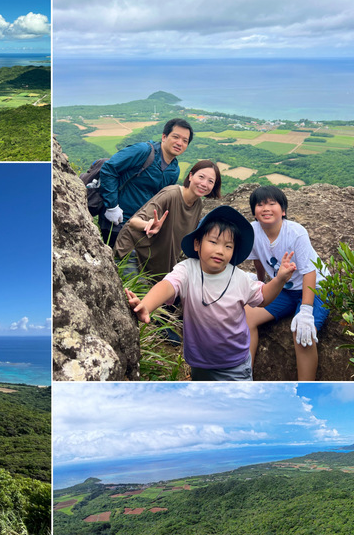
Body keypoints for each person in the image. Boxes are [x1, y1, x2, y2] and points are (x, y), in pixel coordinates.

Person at [126, 205, 295, 381]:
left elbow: (263, 297)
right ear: (197, 244)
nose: (220, 250)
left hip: (235, 364)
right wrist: (147, 305)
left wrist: (280, 279)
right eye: (213, 242)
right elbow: (168, 285)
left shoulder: (240, 278)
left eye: (228, 246)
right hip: (199, 363)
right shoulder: (187, 270)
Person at [244, 186, 329, 381]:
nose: (266, 208)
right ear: (254, 212)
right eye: (260, 204)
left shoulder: (296, 233)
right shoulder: (253, 231)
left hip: (316, 287)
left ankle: (305, 390)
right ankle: (245, 376)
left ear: (283, 211)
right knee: (246, 316)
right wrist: (260, 282)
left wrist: (306, 311)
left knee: (303, 333)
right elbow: (257, 257)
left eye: (272, 203)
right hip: (284, 288)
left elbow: (309, 271)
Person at [114, 159, 221, 281]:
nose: (204, 184)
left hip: (154, 262)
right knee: (142, 298)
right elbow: (134, 222)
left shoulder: (198, 205)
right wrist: (149, 224)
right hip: (133, 253)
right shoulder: (171, 194)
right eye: (201, 177)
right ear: (190, 176)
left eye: (210, 181)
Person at [99, 118, 194, 246]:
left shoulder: (174, 170)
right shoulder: (144, 151)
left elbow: (161, 198)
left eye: (185, 141)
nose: (179, 143)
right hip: (116, 220)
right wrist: (112, 207)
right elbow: (109, 169)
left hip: (141, 226)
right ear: (164, 137)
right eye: (175, 137)